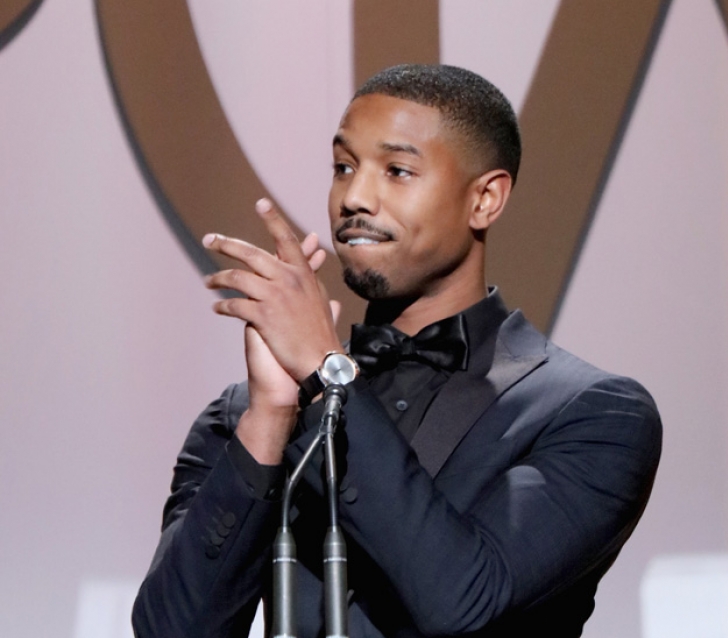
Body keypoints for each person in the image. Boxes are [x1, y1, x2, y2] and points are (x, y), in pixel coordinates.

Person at [132, 64, 662, 637]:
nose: (355, 197)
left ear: (485, 199)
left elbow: (468, 604)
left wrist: (325, 372)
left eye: (398, 170)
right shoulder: (244, 414)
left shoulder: (591, 413)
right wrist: (271, 418)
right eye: (343, 167)